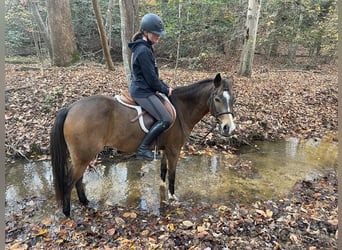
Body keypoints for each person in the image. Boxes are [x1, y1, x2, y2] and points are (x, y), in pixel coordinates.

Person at [128, 13, 173, 160]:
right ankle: (143, 149)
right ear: (146, 32)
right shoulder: (143, 50)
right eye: (156, 34)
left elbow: (154, 75)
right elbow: (152, 80)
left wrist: (165, 86)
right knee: (166, 119)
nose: (158, 37)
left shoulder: (146, 47)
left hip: (145, 87)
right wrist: (165, 90)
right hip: (142, 91)